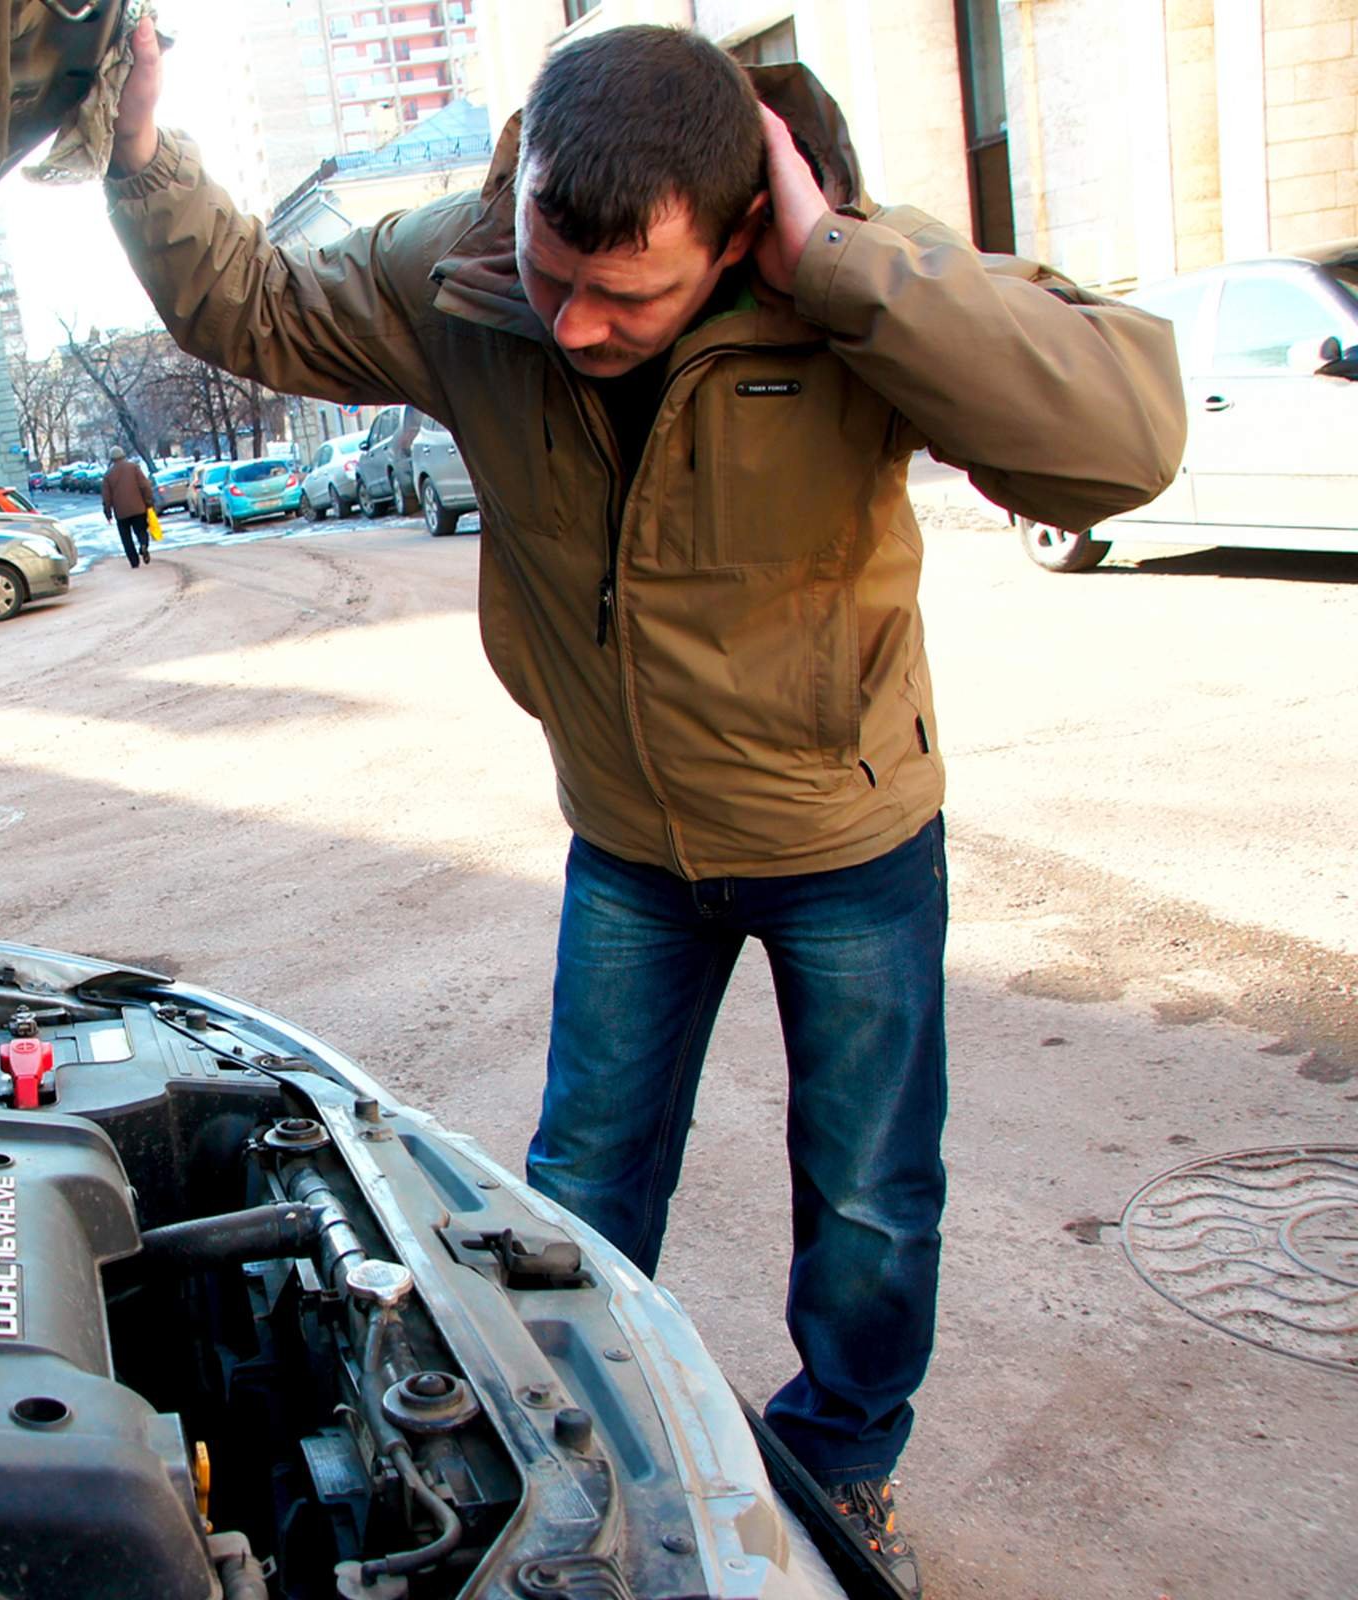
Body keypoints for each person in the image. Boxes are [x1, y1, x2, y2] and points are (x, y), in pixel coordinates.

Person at [103, 18, 1183, 1594]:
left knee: (872, 1203)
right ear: (522, 193)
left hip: (846, 840)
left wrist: (845, 274)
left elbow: (1125, 442)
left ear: (745, 225)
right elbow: (255, 304)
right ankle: (575, 1449)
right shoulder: (463, 275)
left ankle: (844, 1459)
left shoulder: (858, 280)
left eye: (632, 295)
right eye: (557, 276)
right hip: (625, 841)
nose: (583, 324)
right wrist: (138, 160)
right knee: (578, 1194)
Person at [99, 445, 158, 567]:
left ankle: (134, 561)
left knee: (126, 538)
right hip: (138, 508)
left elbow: (106, 496)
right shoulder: (134, 468)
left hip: (121, 512)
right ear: (123, 455)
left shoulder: (108, 475)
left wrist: (108, 512)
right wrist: (149, 501)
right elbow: (145, 486)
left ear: (112, 459)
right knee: (141, 530)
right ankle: (143, 545)